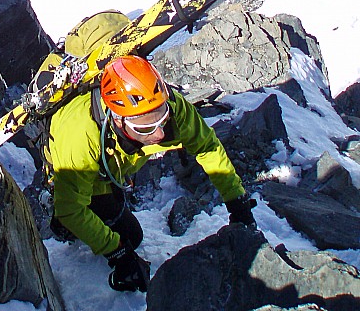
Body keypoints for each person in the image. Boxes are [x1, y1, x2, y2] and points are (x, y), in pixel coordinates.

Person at [46, 54, 256, 293]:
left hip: (115, 163)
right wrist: (118, 253)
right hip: (82, 168)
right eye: (146, 126)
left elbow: (208, 147)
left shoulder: (170, 108)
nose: (158, 134)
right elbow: (71, 209)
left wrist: (236, 202)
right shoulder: (80, 136)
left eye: (161, 118)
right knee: (126, 236)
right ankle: (59, 223)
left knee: (126, 233)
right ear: (117, 118)